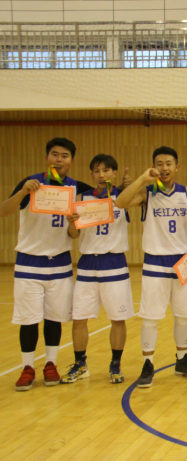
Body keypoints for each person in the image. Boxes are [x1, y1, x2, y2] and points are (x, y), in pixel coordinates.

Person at [1, 138, 129, 391]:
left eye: (64, 156)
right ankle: (27, 367)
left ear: (71, 160)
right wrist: (23, 192)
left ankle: (51, 364)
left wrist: (125, 186)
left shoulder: (77, 189)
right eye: (54, 154)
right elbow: (4, 210)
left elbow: (104, 195)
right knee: (29, 319)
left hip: (61, 263)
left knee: (55, 318)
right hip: (29, 262)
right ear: (47, 157)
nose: (59, 160)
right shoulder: (31, 183)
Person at [114, 146, 187, 388]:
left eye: (168, 163)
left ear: (177, 167)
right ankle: (148, 364)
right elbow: (120, 203)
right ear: (153, 167)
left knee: (184, 316)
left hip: (183, 261)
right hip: (155, 261)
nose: (164, 168)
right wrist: (141, 179)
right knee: (150, 318)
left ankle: (182, 360)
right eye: (159, 164)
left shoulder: (186, 193)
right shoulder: (147, 193)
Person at [60, 154, 134, 385]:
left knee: (117, 318)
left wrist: (128, 186)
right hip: (87, 264)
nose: (101, 175)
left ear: (114, 173)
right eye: (96, 171)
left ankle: (115, 365)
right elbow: (74, 235)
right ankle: (80, 365)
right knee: (79, 318)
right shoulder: (82, 198)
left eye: (106, 170)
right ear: (91, 174)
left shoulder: (124, 197)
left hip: (114, 263)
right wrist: (71, 221)